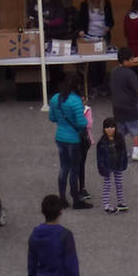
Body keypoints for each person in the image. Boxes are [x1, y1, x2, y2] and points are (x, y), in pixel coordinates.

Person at [48, 74, 91, 209]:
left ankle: (62, 198)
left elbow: (52, 118)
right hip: (74, 139)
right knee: (74, 168)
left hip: (60, 137)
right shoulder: (76, 100)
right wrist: (86, 121)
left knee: (63, 167)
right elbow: (81, 123)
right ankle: (76, 198)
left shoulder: (55, 98)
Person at [109, 47, 138, 162]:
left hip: (117, 106)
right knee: (137, 129)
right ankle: (136, 151)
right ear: (125, 61)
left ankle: (120, 151)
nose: (133, 61)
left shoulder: (114, 72)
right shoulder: (129, 73)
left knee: (120, 130)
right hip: (130, 106)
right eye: (131, 59)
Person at [76, 0, 114, 96]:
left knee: (101, 62)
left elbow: (111, 20)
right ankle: (91, 86)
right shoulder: (84, 5)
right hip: (89, 37)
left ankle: (101, 85)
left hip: (102, 37)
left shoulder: (106, 4)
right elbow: (81, 20)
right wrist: (81, 30)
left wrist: (108, 27)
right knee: (91, 62)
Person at [95, 117, 128, 214]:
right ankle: (106, 204)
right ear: (104, 129)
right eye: (107, 127)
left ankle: (120, 201)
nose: (110, 129)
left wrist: (123, 162)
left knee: (119, 183)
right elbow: (99, 157)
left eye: (112, 127)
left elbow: (123, 152)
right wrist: (102, 168)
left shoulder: (120, 138)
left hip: (118, 164)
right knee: (107, 184)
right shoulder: (101, 142)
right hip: (107, 166)